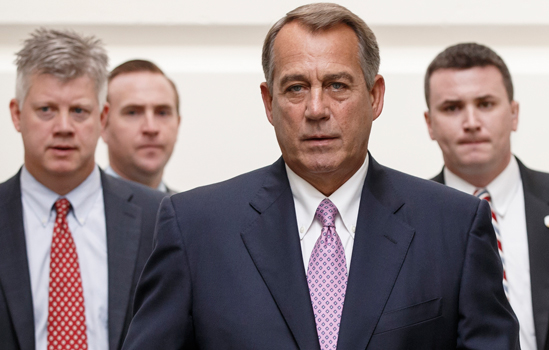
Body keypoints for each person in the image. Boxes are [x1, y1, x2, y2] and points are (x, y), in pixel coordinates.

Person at [122, 4, 519, 349]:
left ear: (375, 96)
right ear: (269, 102)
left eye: (337, 85)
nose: (316, 108)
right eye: (296, 88)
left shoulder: (454, 226)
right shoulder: (195, 228)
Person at [424, 42, 549, 350]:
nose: (471, 122)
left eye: (486, 104)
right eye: (452, 107)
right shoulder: (405, 221)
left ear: (513, 114)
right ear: (429, 124)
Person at [0, 28, 165, 350]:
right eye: (46, 109)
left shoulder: (160, 218)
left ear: (102, 117)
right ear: (17, 114)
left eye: (79, 111)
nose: (63, 127)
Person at [102, 59, 181, 194]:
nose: (151, 128)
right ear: (103, 124)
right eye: (132, 112)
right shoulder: (75, 210)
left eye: (162, 113)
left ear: (178, 124)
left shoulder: (191, 212)